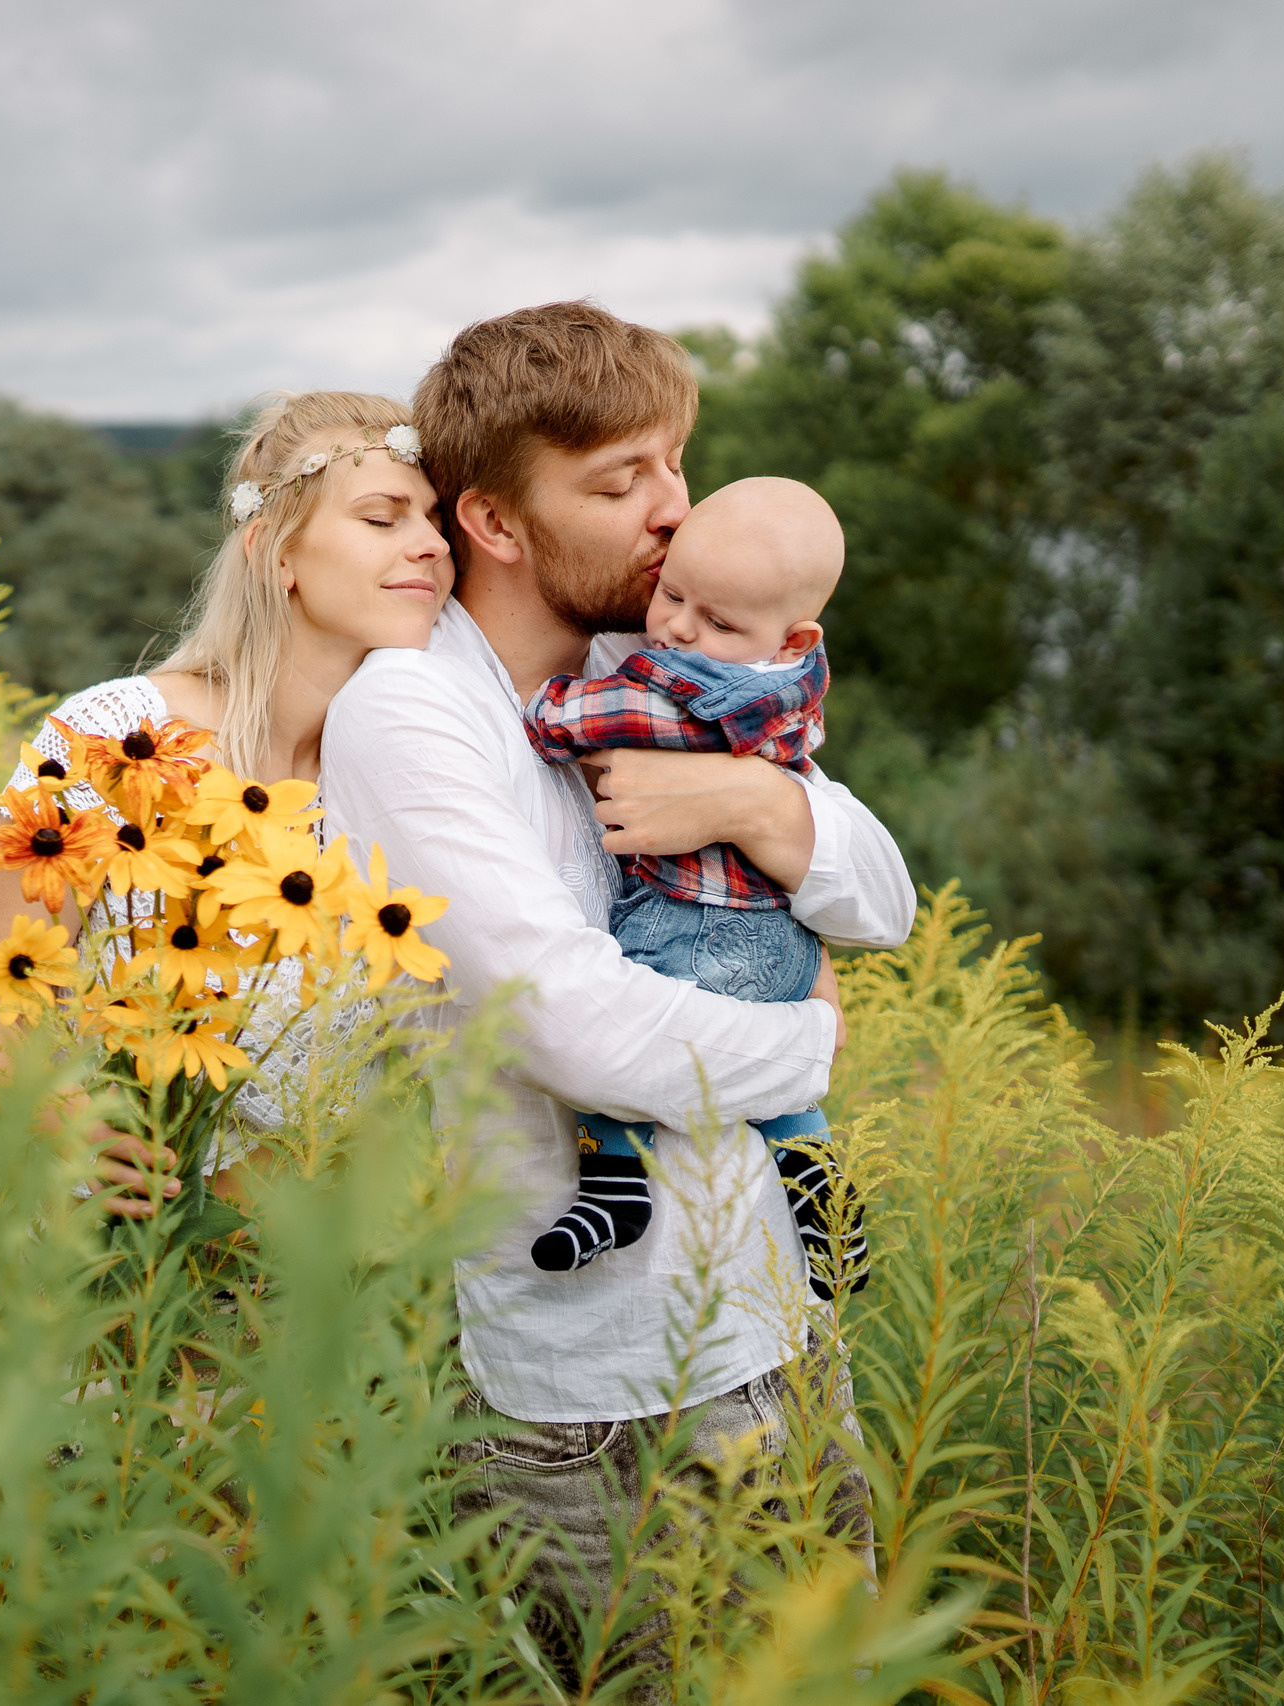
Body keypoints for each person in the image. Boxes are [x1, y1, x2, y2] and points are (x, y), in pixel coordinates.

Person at [315, 304, 916, 1687]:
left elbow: (878, 900)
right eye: (620, 480)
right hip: (588, 1390)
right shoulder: (413, 716)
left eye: (676, 464)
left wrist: (754, 795)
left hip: (772, 1322)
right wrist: (810, 1042)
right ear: (497, 523)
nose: (672, 515)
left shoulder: (660, 666)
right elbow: (577, 1029)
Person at [0, 391, 451, 1212]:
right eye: (383, 518)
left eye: (435, 522)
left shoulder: (410, 773)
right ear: (274, 551)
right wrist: (72, 1125)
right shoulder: (111, 737)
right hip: (134, 1274)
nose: (430, 546)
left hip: (324, 1281)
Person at [521, 475, 866, 1296]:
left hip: (697, 928)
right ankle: (819, 1186)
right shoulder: (796, 678)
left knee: (636, 1024)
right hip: (788, 942)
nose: (679, 628)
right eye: (673, 595)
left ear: (790, 633)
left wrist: (546, 701)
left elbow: (562, 722)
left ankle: (613, 1188)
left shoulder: (679, 691)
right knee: (776, 1103)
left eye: (717, 621)